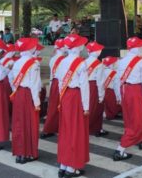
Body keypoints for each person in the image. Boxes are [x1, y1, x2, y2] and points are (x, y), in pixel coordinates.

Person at [113, 37, 142, 161]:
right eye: (140, 46)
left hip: (125, 91)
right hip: (136, 91)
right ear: (136, 48)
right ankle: (120, 149)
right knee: (137, 120)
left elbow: (117, 80)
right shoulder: (141, 62)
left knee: (132, 118)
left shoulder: (121, 61)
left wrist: (119, 96)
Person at [56, 34, 90, 177]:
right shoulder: (81, 63)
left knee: (65, 130)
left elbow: (59, 83)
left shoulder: (62, 61)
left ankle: (63, 165)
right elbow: (84, 86)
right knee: (75, 131)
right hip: (76, 97)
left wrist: (61, 98)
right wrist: (86, 105)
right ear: (76, 48)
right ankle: (72, 167)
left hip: (65, 96)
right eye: (80, 45)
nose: (82, 47)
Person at [9, 37, 42, 164]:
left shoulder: (16, 62)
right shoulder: (33, 64)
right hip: (28, 95)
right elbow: (34, 84)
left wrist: (16, 89)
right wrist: (37, 102)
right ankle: (28, 153)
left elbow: (12, 79)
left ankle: (19, 153)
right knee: (30, 123)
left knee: (18, 123)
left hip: (18, 93)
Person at [41, 39, 66, 138]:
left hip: (54, 83)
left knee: (54, 106)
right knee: (57, 106)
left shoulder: (53, 58)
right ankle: (50, 128)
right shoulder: (62, 59)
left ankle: (52, 127)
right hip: (60, 83)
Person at [85, 41, 108, 137]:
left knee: (88, 107)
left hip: (85, 86)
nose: (100, 50)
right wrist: (101, 95)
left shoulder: (84, 61)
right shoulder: (99, 64)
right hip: (94, 87)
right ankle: (91, 128)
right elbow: (100, 81)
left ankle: (96, 128)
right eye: (99, 49)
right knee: (96, 108)